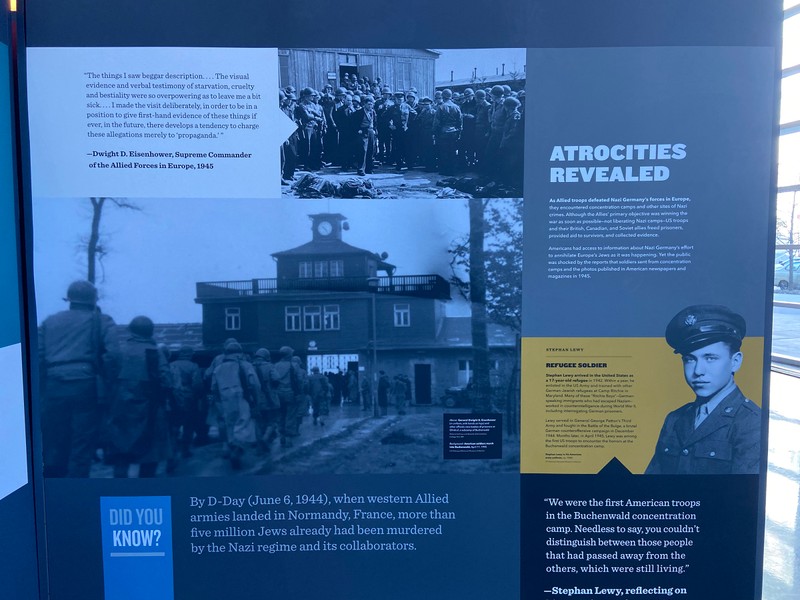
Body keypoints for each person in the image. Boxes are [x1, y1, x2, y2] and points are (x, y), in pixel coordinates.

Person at [645, 305, 761, 475]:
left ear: (735, 362)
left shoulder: (751, 422)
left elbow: (741, 496)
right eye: (690, 360)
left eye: (710, 358)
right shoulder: (675, 419)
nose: (698, 370)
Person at [38, 280, 120, 477]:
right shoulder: (102, 320)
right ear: (93, 299)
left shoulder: (50, 321)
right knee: (82, 444)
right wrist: (109, 382)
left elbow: (37, 355)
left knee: (53, 442)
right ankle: (77, 493)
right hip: (85, 385)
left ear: (69, 299)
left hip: (53, 385)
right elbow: (114, 355)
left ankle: (53, 492)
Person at [107, 316, 172, 478]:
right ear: (151, 332)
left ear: (130, 330)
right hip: (150, 410)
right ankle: (144, 491)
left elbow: (107, 378)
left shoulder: (118, 352)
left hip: (120, 410)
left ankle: (119, 491)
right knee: (150, 454)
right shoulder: (155, 353)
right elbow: (166, 381)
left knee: (121, 454)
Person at [211, 341, 260, 469]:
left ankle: (229, 447)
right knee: (244, 426)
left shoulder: (218, 368)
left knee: (230, 426)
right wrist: (256, 401)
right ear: (240, 353)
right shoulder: (246, 365)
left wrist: (218, 404)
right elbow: (255, 385)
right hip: (242, 398)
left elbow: (214, 388)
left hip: (224, 400)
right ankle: (237, 452)